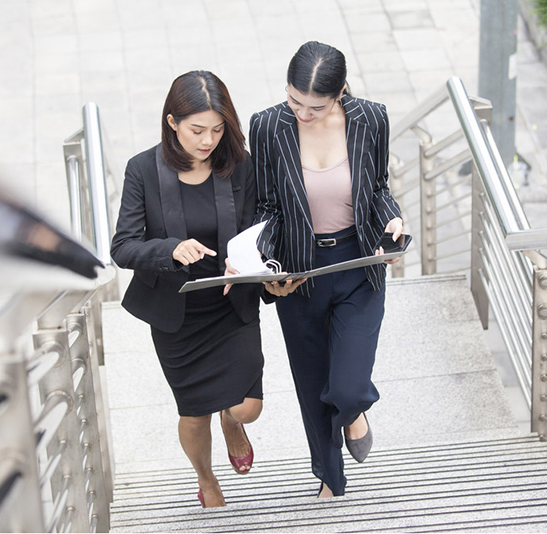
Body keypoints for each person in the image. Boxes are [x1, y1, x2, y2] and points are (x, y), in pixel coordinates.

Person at [249, 41, 403, 498]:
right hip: (301, 270)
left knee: (348, 385)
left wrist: (392, 218)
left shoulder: (371, 118)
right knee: (312, 379)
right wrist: (269, 268)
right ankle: (329, 477)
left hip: (358, 262)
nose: (301, 112)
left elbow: (378, 188)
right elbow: (266, 206)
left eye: (315, 105)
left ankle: (354, 410)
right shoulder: (266, 126)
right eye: (294, 100)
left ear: (339, 95)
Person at [110, 71, 263, 508]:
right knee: (193, 415)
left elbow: (256, 229)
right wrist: (171, 249)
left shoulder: (239, 165)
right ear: (172, 122)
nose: (208, 140)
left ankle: (232, 422)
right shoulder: (142, 169)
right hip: (178, 318)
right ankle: (206, 479)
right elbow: (123, 247)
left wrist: (251, 263)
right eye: (197, 130)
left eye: (217, 130)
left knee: (247, 407)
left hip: (230, 305)